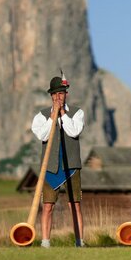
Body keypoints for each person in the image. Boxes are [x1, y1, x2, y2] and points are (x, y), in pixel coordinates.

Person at [31, 73, 85, 248]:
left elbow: (74, 132)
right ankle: (45, 242)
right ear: (51, 95)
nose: (57, 97)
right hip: (50, 167)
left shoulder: (77, 113)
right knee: (47, 206)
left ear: (66, 94)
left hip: (72, 166)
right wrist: (53, 117)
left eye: (61, 93)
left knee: (74, 205)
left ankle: (79, 242)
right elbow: (42, 135)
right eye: (54, 94)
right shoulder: (41, 115)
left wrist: (62, 113)